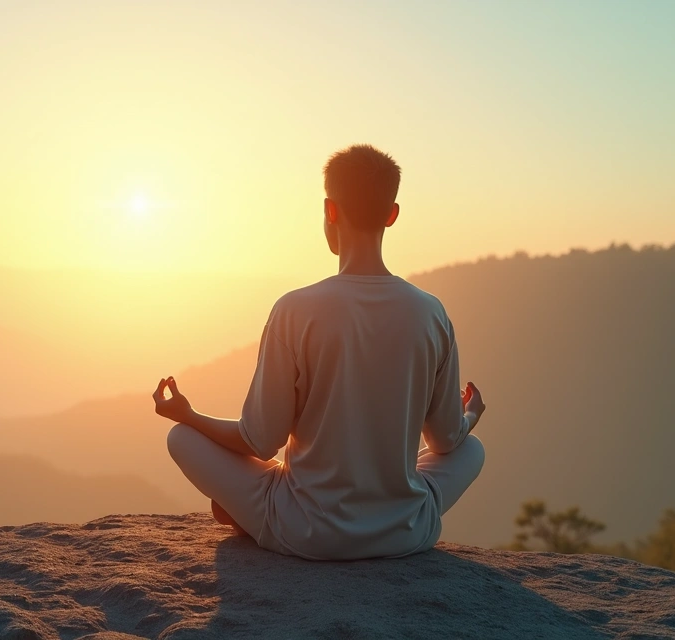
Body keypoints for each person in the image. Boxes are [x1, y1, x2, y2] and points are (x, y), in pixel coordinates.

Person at [154, 144, 486, 560]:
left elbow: (259, 442)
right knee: (472, 449)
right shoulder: (431, 312)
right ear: (392, 214)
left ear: (330, 210)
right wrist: (470, 415)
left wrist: (189, 415)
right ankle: (391, 506)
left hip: (305, 531)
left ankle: (256, 514)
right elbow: (444, 441)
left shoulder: (294, 310)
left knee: (181, 438)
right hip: (405, 530)